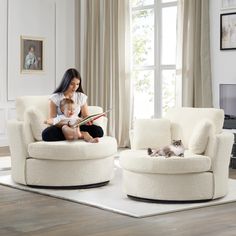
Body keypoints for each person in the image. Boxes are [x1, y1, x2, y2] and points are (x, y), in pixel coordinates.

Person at [42, 68, 103, 142]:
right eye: (72, 84)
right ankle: (79, 135)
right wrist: (68, 123)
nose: (75, 87)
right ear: (66, 82)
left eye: (77, 84)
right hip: (62, 126)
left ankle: (75, 134)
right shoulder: (55, 97)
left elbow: (86, 116)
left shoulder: (81, 96)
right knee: (46, 134)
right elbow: (53, 120)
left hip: (77, 126)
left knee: (99, 131)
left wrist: (88, 120)